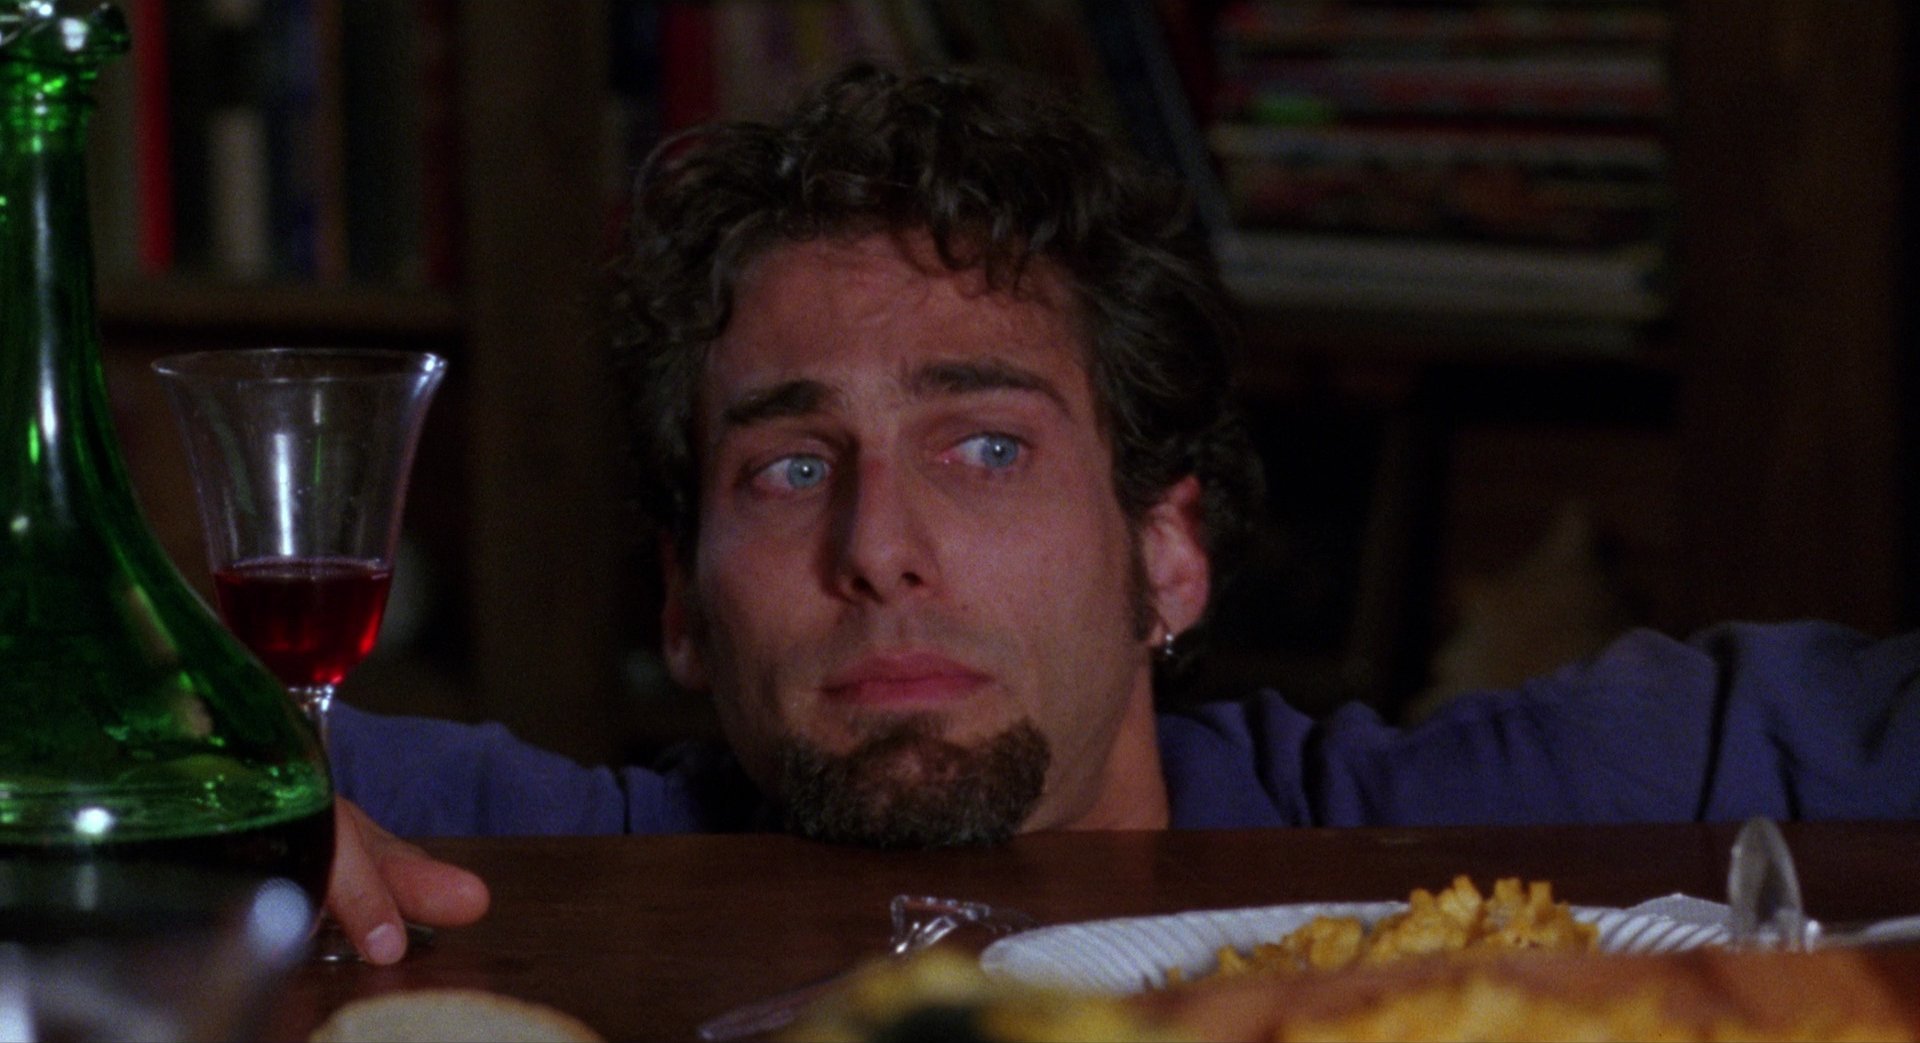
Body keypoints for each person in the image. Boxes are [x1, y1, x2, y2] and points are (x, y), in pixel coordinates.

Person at [318, 64, 1920, 964]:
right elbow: (177, 722)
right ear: (681, 602)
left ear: (1169, 554)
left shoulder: (1442, 824)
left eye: (985, 447)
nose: (878, 548)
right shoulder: (527, 861)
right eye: (791, 468)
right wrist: (206, 812)